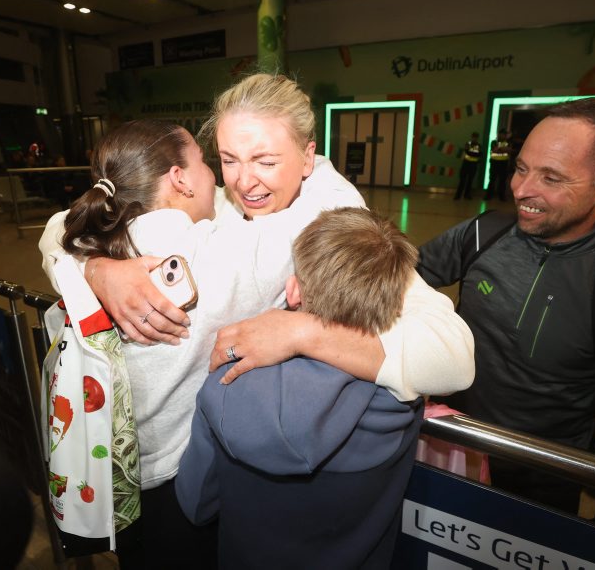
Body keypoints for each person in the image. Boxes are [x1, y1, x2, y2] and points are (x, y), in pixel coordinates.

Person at [39, 74, 475, 566]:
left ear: (307, 158)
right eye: (228, 160)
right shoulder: (222, 202)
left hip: (276, 492)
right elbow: (63, 225)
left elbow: (453, 355)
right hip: (186, 474)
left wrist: (303, 332)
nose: (244, 181)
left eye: (266, 161)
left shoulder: (336, 223)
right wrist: (98, 271)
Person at [417, 98, 595, 537]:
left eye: (551, 178)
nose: (521, 189)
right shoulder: (482, 234)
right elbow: (399, 278)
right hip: (451, 454)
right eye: (521, 168)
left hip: (542, 483)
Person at [176, 207, 425, 569]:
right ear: (396, 302)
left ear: (293, 290)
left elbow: (197, 503)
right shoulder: (403, 393)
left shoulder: (226, 382)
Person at [484, 128, 512, 201]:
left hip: (504, 163)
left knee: (502, 181)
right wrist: (504, 149)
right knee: (492, 180)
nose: (503, 136)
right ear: (499, 134)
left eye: (504, 134)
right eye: (502, 134)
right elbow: (494, 150)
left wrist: (499, 149)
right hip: (494, 163)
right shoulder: (494, 142)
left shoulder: (508, 143)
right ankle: (488, 195)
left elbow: (509, 150)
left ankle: (501, 196)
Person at [453, 131, 481, 200]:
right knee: (462, 181)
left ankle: (467, 195)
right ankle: (458, 195)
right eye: (474, 137)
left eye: (476, 137)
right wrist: (474, 154)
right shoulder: (468, 144)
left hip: (473, 165)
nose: (475, 139)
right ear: (472, 137)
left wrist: (472, 153)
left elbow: (479, 154)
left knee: (470, 181)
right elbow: (467, 152)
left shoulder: (479, 146)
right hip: (466, 164)